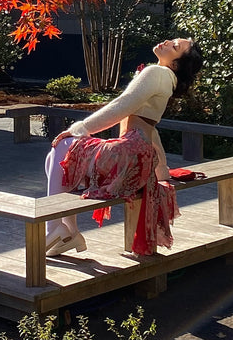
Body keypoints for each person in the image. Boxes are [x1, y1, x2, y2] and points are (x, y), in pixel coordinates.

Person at [44, 38, 203, 257]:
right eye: (173, 41)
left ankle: (55, 228)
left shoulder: (156, 73)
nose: (167, 42)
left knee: (63, 145)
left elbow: (122, 105)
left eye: (175, 47)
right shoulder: (167, 80)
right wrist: (162, 170)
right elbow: (151, 130)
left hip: (129, 153)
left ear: (175, 64)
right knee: (55, 159)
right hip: (139, 159)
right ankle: (70, 232)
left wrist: (81, 128)